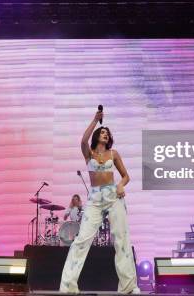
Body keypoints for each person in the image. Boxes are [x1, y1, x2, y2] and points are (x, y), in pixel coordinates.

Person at [59, 110, 139, 294]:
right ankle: (68, 286)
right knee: (81, 240)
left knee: (122, 240)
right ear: (97, 135)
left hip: (113, 197)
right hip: (95, 198)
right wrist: (96, 120)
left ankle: (128, 287)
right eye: (103, 132)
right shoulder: (89, 154)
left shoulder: (114, 153)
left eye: (107, 133)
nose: (106, 134)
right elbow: (82, 141)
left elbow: (126, 176)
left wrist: (120, 185)